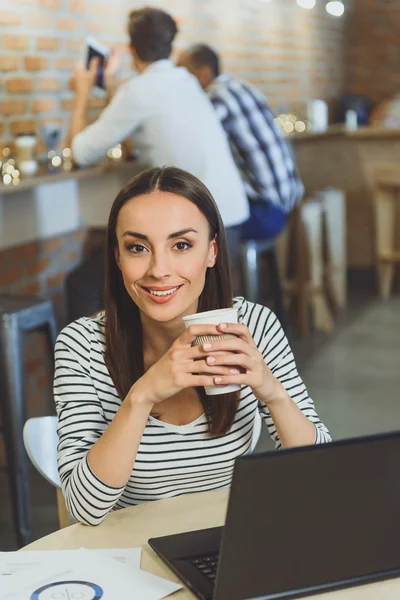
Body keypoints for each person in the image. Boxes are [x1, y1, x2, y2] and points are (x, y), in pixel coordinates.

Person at [54, 166, 331, 526]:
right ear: (118, 257)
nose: (159, 269)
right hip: (127, 555)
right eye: (138, 248)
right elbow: (84, 509)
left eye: (181, 245)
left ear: (212, 251)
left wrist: (272, 391)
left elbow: (320, 474)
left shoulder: (254, 327)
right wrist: (142, 396)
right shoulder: (81, 345)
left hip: (227, 546)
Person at [68, 7, 249, 252]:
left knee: (96, 274)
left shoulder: (138, 91)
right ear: (171, 49)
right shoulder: (186, 81)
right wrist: (111, 88)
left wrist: (82, 90)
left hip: (201, 228)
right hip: (232, 216)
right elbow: (130, 131)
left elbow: (81, 153)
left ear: (131, 50)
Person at [177, 44, 304, 242]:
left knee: (189, 228)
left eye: (183, 72)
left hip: (264, 212)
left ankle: (225, 274)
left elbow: (189, 142)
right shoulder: (244, 86)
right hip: (289, 203)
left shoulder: (213, 99)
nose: (178, 79)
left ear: (203, 73)